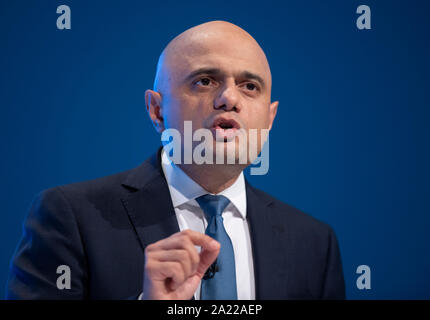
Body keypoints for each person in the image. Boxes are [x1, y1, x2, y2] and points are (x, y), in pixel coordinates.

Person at [6, 21, 345, 300]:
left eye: (249, 86)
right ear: (157, 110)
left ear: (269, 120)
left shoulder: (314, 242)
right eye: (205, 81)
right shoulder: (69, 217)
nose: (229, 98)